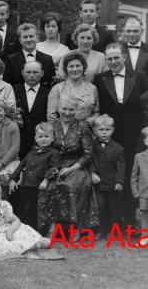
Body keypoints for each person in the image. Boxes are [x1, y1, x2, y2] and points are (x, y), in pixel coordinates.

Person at [94, 43, 148, 226]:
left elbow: (146, 104)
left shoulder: (139, 76)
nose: (113, 62)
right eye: (109, 59)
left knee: (131, 173)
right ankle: (112, 219)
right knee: (111, 175)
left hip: (134, 134)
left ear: (124, 57)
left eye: (116, 57)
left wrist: (145, 128)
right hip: (109, 135)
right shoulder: (100, 78)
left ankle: (131, 219)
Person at [38, 95, 99, 234]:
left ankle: (74, 228)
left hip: (77, 166)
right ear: (58, 109)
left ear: (76, 111)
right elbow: (46, 147)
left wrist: (71, 169)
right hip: (55, 165)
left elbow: (88, 155)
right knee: (50, 186)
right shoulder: (52, 125)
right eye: (64, 109)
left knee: (70, 185)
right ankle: (52, 228)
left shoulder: (82, 127)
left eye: (71, 109)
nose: (67, 113)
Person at [9, 123, 59, 231]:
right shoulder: (31, 152)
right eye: (40, 136)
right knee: (23, 207)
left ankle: (34, 231)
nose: (43, 139)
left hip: (38, 186)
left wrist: (46, 180)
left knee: (33, 209)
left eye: (46, 136)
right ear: (36, 138)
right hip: (25, 184)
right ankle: (22, 230)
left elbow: (54, 168)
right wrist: (13, 179)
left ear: (52, 138)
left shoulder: (53, 153)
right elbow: (21, 165)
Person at [90, 114, 125, 239]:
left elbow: (121, 167)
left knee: (113, 208)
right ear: (95, 130)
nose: (104, 132)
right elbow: (89, 160)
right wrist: (92, 173)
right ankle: (100, 230)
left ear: (112, 130)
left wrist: (119, 182)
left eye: (107, 129)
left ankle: (113, 230)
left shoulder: (118, 148)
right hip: (98, 184)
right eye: (101, 129)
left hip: (112, 184)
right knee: (100, 207)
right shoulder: (92, 146)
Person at [48, 51, 99, 124]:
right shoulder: (57, 89)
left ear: (83, 67)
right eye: (71, 66)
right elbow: (51, 117)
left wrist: (92, 120)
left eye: (78, 66)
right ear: (66, 69)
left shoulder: (92, 88)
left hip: (87, 129)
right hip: (62, 130)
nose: (75, 69)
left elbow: (97, 111)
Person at [13, 61, 50, 159]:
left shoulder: (49, 93)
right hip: (18, 139)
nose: (32, 75)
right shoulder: (13, 90)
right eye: (28, 72)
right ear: (22, 73)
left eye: (35, 72)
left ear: (42, 73)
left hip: (39, 140)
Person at [3, 23, 55, 87]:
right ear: (20, 40)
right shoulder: (10, 60)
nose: (29, 40)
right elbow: (8, 85)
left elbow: (51, 84)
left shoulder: (48, 60)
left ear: (37, 38)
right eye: (25, 37)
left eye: (31, 36)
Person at [131, 127, 148, 246]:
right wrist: (135, 189)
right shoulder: (139, 157)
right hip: (144, 191)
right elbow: (134, 175)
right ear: (145, 141)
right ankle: (145, 236)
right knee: (144, 214)